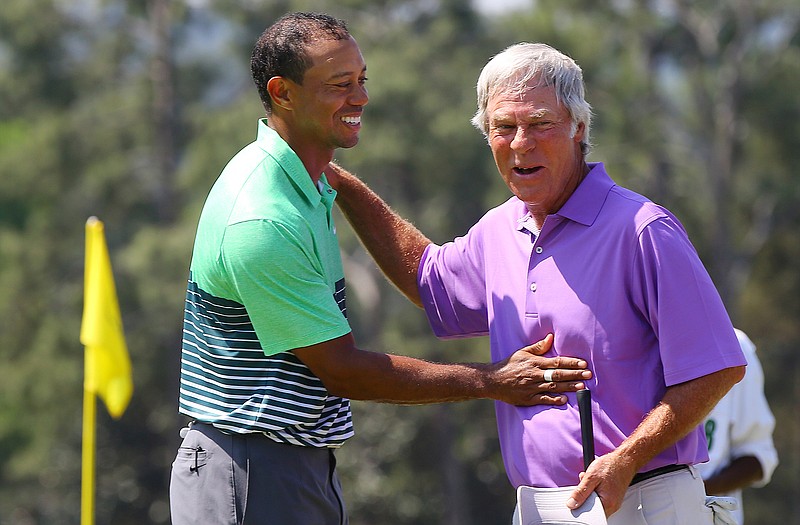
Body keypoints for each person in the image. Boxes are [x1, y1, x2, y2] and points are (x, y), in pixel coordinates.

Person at [169, 15, 592, 525]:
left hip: (292, 464)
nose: (361, 98)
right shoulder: (264, 217)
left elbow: (430, 280)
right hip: (252, 468)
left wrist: (332, 174)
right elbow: (343, 370)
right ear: (283, 93)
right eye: (340, 85)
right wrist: (491, 379)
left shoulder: (303, 180)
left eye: (361, 80)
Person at [325, 42, 747, 524]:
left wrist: (628, 457)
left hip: (644, 498)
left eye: (540, 124)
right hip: (538, 506)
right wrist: (339, 184)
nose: (521, 142)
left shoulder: (642, 229)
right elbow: (429, 281)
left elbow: (716, 367)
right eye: (503, 127)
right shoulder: (499, 229)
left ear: (578, 128)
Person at [697, 329, 779, 524]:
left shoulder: (734, 345)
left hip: (709, 517)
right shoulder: (620, 342)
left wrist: (693, 492)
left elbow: (757, 458)